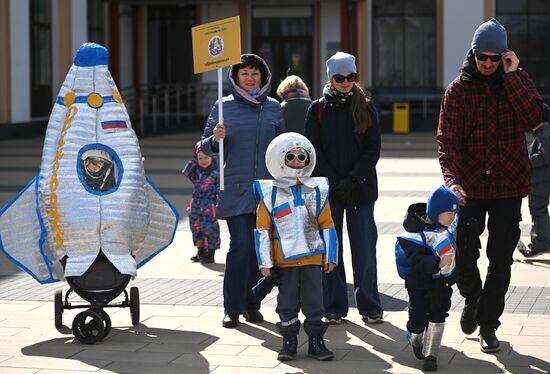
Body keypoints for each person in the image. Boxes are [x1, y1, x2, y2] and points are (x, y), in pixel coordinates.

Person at [437, 18, 544, 353]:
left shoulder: (518, 80)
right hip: (470, 188)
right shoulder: (458, 89)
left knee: (501, 260)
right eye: (481, 57)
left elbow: (536, 119)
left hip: (509, 187)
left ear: (505, 57)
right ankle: (472, 298)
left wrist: (511, 78)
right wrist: (452, 181)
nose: (487, 63)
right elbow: (447, 141)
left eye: (494, 58)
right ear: (473, 54)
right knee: (465, 255)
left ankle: (488, 324)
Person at [200, 53, 285, 328]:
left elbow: (284, 147)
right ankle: (232, 307)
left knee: (261, 252)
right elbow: (204, 147)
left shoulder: (273, 107)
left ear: (264, 77)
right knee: (241, 247)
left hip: (267, 191)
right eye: (245, 73)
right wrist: (216, 138)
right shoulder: (222, 107)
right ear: (235, 78)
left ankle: (252, 302)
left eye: (255, 73)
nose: (250, 78)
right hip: (235, 188)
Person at [304, 51, 383, 325]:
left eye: (351, 77)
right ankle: (334, 305)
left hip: (360, 189)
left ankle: (370, 306)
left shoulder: (366, 106)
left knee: (364, 249)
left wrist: (353, 179)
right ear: (331, 78)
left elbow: (373, 149)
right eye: (340, 77)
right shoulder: (317, 109)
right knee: (331, 250)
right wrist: (335, 182)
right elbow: (312, 150)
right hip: (329, 190)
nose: (346, 82)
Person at [254, 132, 338, 361]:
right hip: (285, 260)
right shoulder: (269, 193)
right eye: (291, 156)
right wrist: (265, 262)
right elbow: (262, 229)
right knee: (287, 301)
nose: (297, 161)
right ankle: (288, 340)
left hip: (312, 258)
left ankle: (316, 341)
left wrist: (330, 256)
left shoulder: (317, 190)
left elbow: (328, 224)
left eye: (302, 157)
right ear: (280, 159)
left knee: (314, 300)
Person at [396, 186, 459, 372]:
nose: (452, 217)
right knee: (417, 321)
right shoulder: (413, 234)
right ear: (436, 212)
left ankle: (431, 355)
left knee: (438, 316)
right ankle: (415, 337)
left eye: (454, 213)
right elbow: (415, 260)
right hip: (419, 285)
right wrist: (437, 263)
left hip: (440, 284)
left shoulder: (445, 230)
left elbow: (455, 255)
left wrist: (452, 274)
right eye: (449, 213)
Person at [519, 104, 550, 257]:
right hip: (541, 180)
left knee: (538, 211)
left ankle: (540, 243)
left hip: (541, 181)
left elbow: (544, 156)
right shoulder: (543, 133)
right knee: (540, 211)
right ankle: (544, 241)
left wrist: (526, 161)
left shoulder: (544, 133)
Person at [182, 141, 220, 264]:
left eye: (206, 157)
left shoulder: (216, 172)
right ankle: (200, 251)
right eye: (200, 158)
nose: (203, 160)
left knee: (210, 230)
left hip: (210, 205)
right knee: (196, 228)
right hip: (196, 205)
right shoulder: (197, 172)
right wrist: (194, 161)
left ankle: (210, 253)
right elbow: (186, 171)